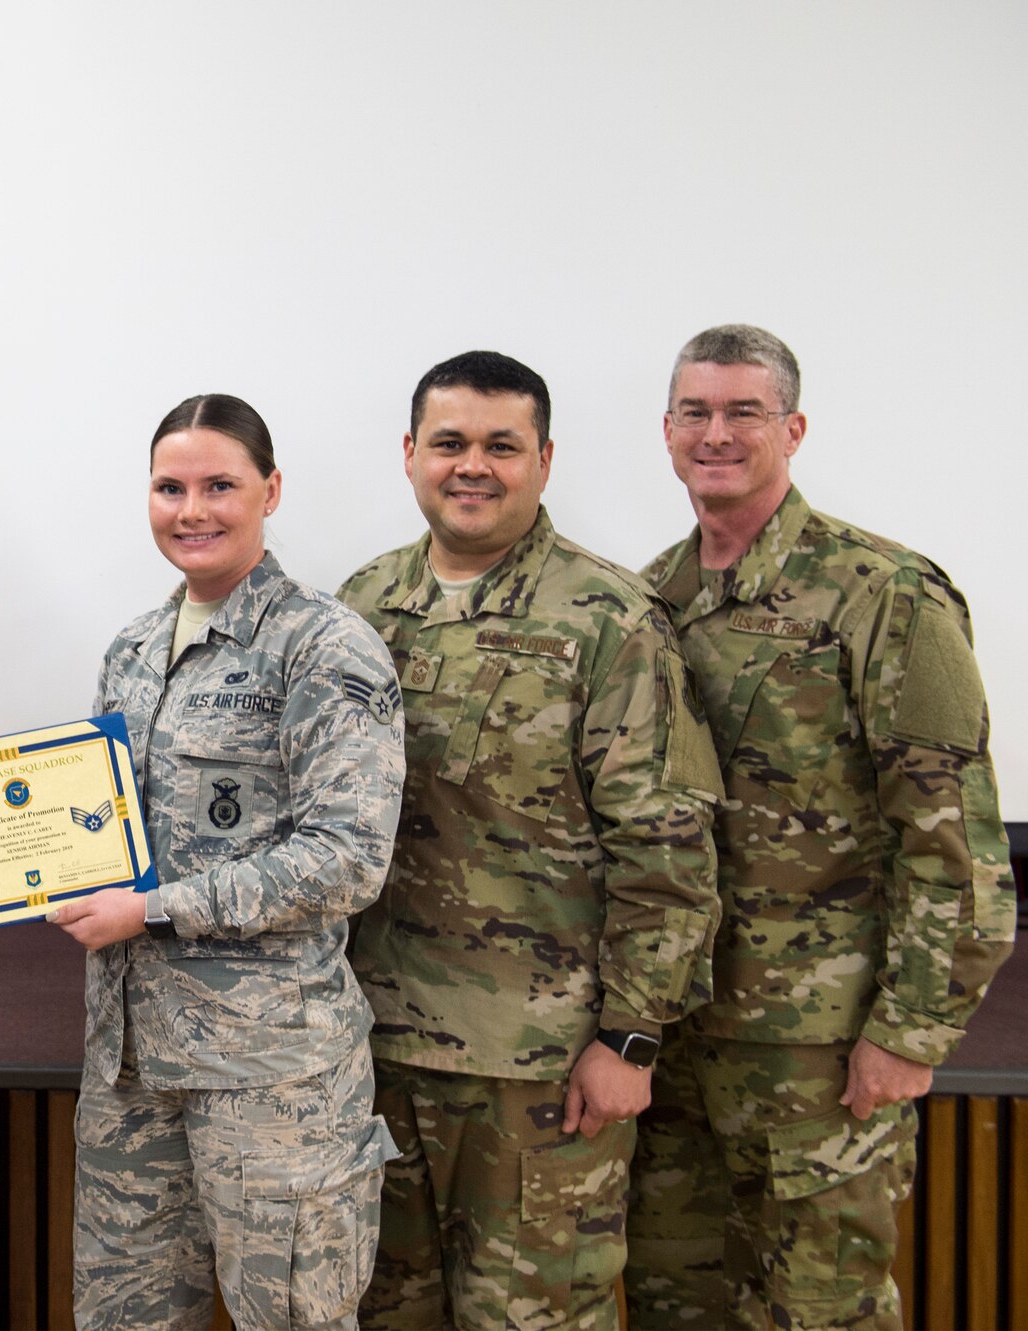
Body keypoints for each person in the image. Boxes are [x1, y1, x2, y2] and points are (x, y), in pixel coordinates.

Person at [624, 325, 1016, 1331]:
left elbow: (952, 842)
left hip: (820, 1048)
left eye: (742, 411)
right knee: (680, 1301)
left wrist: (907, 1033)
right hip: (676, 1046)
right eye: (695, 412)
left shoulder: (882, 592)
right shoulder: (646, 599)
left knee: (820, 1307)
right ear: (665, 431)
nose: (716, 432)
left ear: (790, 428)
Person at [336, 351, 720, 1330]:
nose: (472, 466)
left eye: (500, 446)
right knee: (383, 1310)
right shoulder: (361, 606)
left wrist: (629, 1037)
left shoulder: (607, 618)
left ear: (543, 460)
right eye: (449, 442)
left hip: (541, 1071)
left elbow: (665, 846)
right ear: (409, 454)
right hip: (372, 1054)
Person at [48, 393, 404, 1331]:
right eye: (170, 487)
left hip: (271, 1083)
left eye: (219, 485)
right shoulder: (129, 651)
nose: (191, 509)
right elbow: (93, 828)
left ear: (270, 490)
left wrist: (155, 908)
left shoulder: (326, 648)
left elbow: (347, 858)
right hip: (128, 1071)